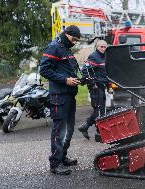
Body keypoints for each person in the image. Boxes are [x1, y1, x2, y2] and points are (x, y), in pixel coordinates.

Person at [40, 25, 81, 175]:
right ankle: (55, 164)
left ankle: (62, 157)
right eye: (73, 39)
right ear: (66, 34)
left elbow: (68, 69)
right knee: (59, 129)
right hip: (59, 96)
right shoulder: (54, 47)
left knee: (69, 128)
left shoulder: (66, 48)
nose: (75, 42)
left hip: (70, 95)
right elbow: (44, 70)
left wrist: (78, 79)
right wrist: (65, 80)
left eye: (77, 40)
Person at [78, 40, 109, 141]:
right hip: (95, 88)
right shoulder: (93, 56)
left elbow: (106, 73)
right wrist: (93, 84)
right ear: (97, 47)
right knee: (99, 109)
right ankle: (100, 132)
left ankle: (85, 126)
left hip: (102, 86)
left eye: (105, 47)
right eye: (101, 47)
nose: (103, 49)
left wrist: (109, 86)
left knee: (100, 109)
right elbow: (85, 70)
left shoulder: (105, 57)